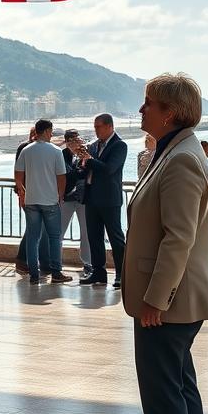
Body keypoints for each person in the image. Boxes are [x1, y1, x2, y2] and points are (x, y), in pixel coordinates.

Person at [119, 73, 208, 414]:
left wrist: (156, 298)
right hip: (178, 297)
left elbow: (177, 238)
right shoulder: (176, 150)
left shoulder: (180, 159)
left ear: (170, 112)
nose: (141, 111)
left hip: (170, 301)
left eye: (148, 104)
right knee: (180, 388)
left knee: (163, 393)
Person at [14, 119, 70, 285]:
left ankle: (34, 275)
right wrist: (60, 196)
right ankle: (56, 272)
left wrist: (23, 190)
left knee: (33, 238)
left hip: (31, 201)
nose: (52, 134)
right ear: (46, 131)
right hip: (50, 201)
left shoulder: (26, 150)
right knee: (54, 237)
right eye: (51, 131)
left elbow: (18, 174)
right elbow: (61, 177)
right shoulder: (55, 151)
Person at [79, 113, 127, 287]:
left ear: (109, 126)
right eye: (95, 127)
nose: (96, 130)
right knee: (94, 237)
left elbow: (109, 169)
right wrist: (81, 162)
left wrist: (89, 160)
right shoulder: (93, 146)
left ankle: (122, 274)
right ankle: (98, 272)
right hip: (91, 197)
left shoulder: (119, 145)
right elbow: (86, 170)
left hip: (109, 199)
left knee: (115, 238)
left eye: (98, 127)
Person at [61, 130, 92, 278]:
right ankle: (55, 263)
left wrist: (84, 158)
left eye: (77, 139)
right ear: (67, 141)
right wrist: (81, 169)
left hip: (83, 198)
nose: (75, 142)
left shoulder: (85, 153)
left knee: (86, 232)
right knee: (59, 231)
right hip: (66, 198)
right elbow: (68, 175)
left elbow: (88, 172)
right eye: (72, 140)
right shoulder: (62, 155)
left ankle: (88, 263)